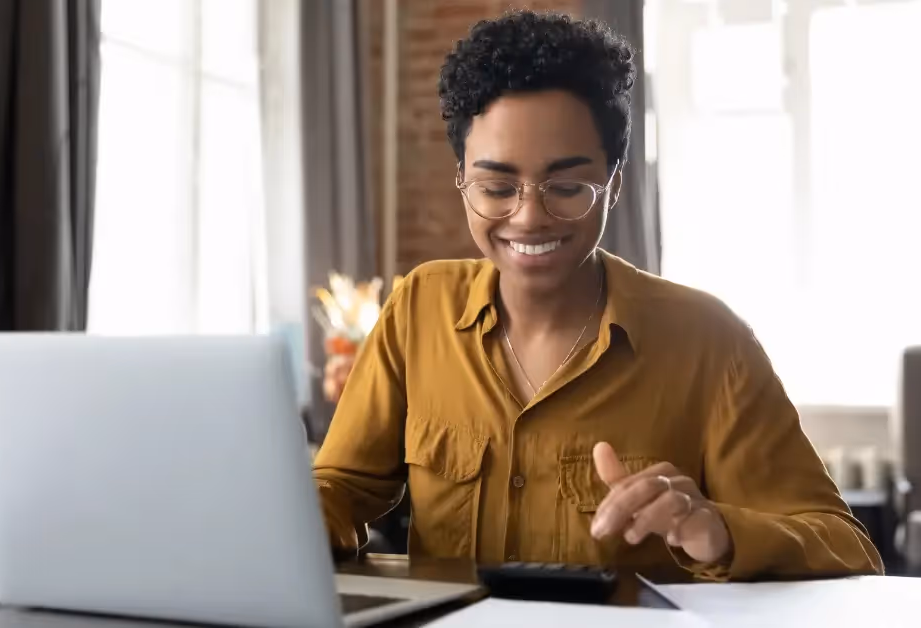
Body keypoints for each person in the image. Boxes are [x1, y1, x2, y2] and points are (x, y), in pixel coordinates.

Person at [313, 10, 882, 580]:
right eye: (496, 187)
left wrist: (718, 529)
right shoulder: (419, 309)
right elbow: (340, 487)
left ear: (615, 182)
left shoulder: (709, 341)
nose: (529, 217)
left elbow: (847, 547)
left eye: (566, 187)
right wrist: (301, 516)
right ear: (461, 178)